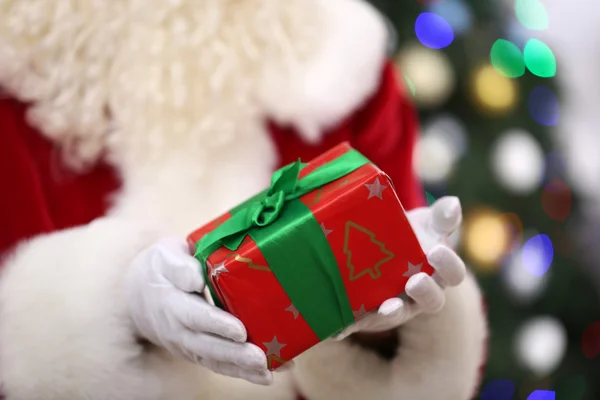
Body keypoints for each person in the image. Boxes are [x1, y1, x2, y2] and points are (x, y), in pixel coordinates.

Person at [0, 0, 487, 399]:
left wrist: (389, 334)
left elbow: (400, 272)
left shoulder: (339, 61)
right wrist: (103, 310)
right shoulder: (13, 62)